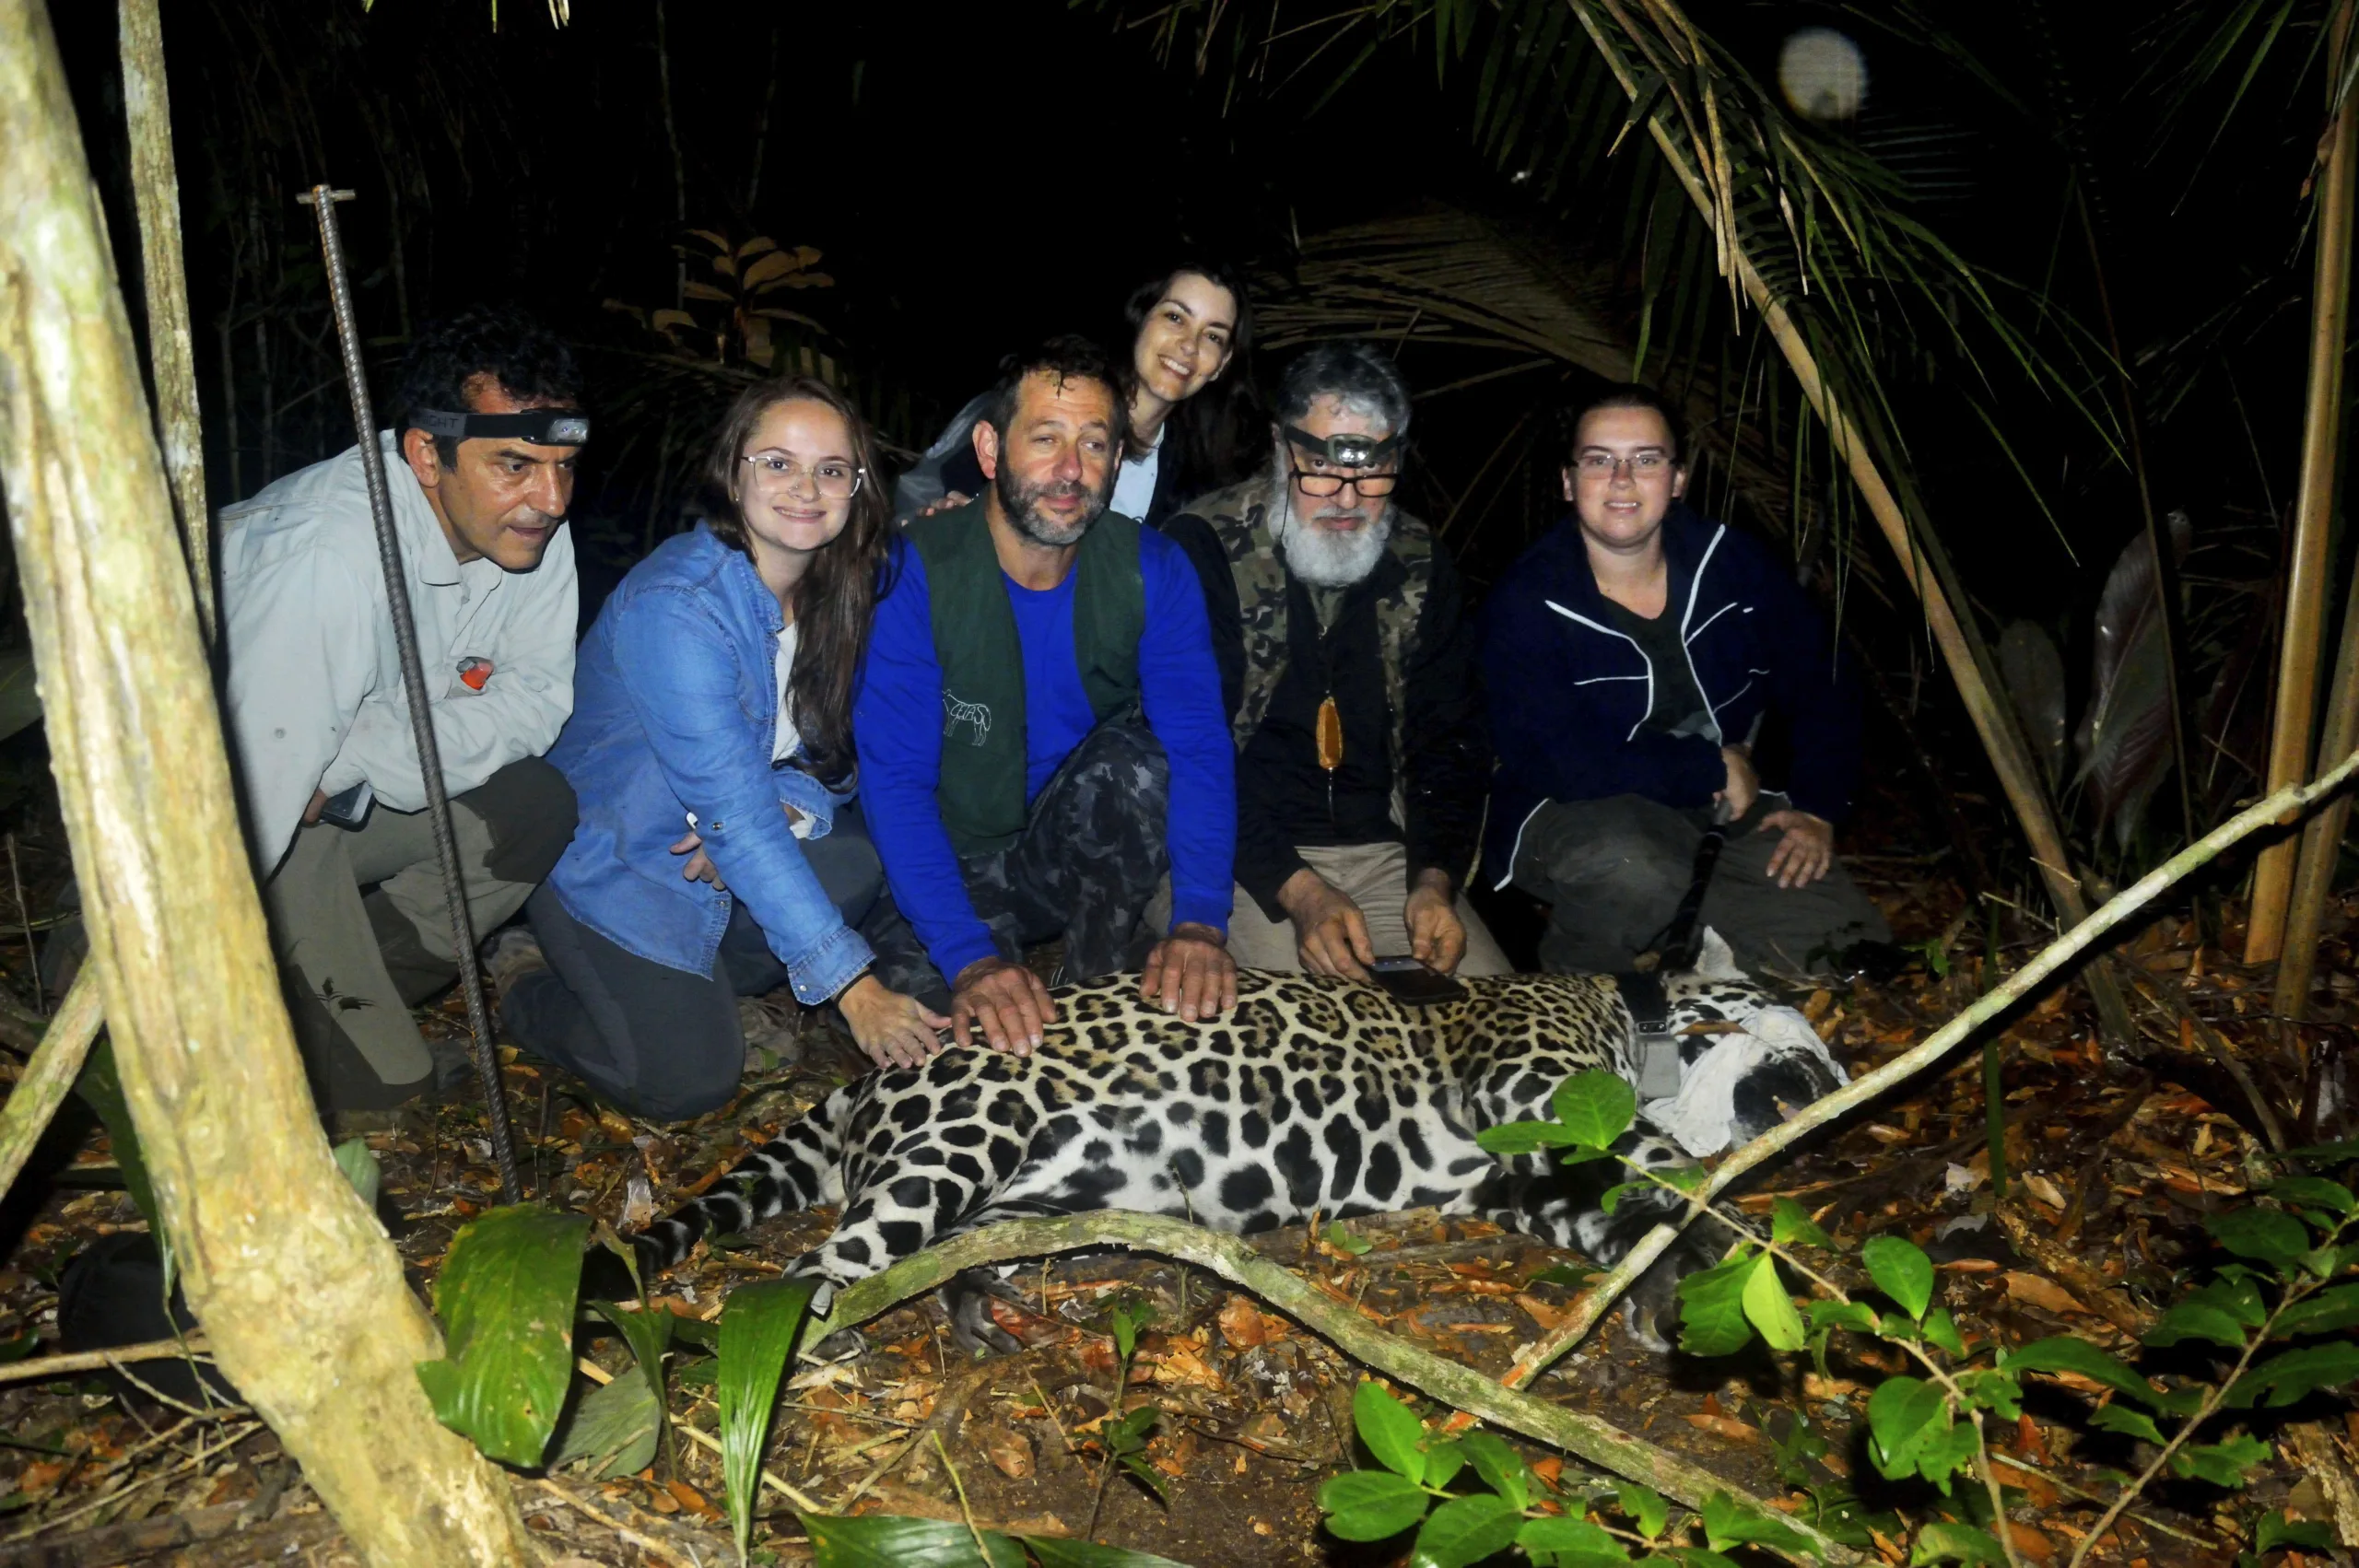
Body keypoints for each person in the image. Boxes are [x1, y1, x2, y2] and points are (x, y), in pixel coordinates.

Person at [495, 379, 947, 1120]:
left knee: (856, 858)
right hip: (618, 866)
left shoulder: (835, 592)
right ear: (733, 472)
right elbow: (732, 814)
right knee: (687, 1084)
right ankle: (527, 982)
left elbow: (827, 767)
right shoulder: (678, 607)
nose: (806, 488)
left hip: (714, 853)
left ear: (858, 487)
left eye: (831, 470)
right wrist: (854, 990)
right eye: (777, 463)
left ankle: (694, 992)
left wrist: (787, 801)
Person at [218, 304, 584, 1110]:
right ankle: (244, 1001)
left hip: (325, 797)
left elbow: (536, 702)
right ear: (427, 453)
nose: (550, 499)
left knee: (535, 805)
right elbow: (241, 810)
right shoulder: (327, 559)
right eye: (515, 465)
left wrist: (349, 758)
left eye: (564, 465)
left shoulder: (530, 534)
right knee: (393, 1096)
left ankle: (326, 993)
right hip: (224, 828)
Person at [855, 335, 1238, 1054]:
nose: (1071, 471)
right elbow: (896, 785)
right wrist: (972, 959)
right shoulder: (915, 572)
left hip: (1061, 855)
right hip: (948, 859)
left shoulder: (1152, 569)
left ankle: (1096, 985)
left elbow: (1199, 749)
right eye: (1046, 439)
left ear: (1118, 460)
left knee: (1142, 762)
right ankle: (996, 969)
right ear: (991, 450)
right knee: (950, 1057)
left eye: (1095, 445)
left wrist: (1199, 924)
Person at [1480, 385, 1891, 977]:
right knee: (1634, 870)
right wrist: (1710, 768)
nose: (1622, 479)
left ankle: (1694, 952)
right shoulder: (1526, 600)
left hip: (1721, 806)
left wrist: (1819, 808)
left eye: (1646, 459)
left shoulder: (1732, 563)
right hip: (1581, 809)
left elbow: (1821, 679)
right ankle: (1575, 1003)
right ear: (1568, 483)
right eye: (1599, 460)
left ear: (1677, 480)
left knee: (1849, 951)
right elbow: (1551, 760)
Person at [1161, 343, 1508, 978]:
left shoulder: (1421, 566)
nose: (1347, 499)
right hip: (1231, 854)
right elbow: (1187, 752)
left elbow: (1451, 743)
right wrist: (1300, 891)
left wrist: (1434, 884)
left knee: (1496, 1028)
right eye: (1320, 467)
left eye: (1374, 473)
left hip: (1385, 854)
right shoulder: (1200, 549)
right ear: (1278, 448)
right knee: (1319, 1041)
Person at [893, 263, 1254, 527]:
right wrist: (942, 514)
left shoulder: (1202, 476)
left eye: (1213, 336)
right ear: (1141, 318)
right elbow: (921, 499)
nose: (1188, 346)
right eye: (1175, 318)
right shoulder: (1046, 397)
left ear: (1221, 364)